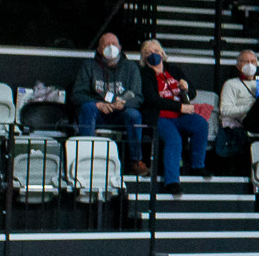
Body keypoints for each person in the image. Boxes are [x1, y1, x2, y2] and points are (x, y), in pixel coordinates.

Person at [139, 40, 207, 195]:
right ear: (143, 58)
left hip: (180, 115)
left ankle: (198, 166)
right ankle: (172, 181)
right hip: (159, 117)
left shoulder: (174, 70)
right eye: (148, 52)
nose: (153, 54)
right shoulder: (144, 74)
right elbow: (151, 99)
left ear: (163, 54)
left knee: (201, 124)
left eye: (156, 51)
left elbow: (192, 92)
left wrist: (186, 88)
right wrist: (179, 107)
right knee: (173, 139)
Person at [74, 33, 144, 170]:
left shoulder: (130, 67)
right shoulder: (89, 66)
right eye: (106, 44)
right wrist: (98, 104)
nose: (111, 47)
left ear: (120, 47)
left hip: (120, 113)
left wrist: (123, 104)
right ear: (99, 49)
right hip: (98, 113)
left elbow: (138, 97)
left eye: (114, 44)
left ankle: (136, 161)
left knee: (134, 115)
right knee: (88, 108)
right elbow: (77, 95)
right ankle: (85, 158)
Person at [214, 50, 259, 163]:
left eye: (253, 61)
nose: (250, 65)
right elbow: (224, 111)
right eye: (246, 62)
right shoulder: (231, 84)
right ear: (238, 66)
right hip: (246, 119)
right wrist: (249, 108)